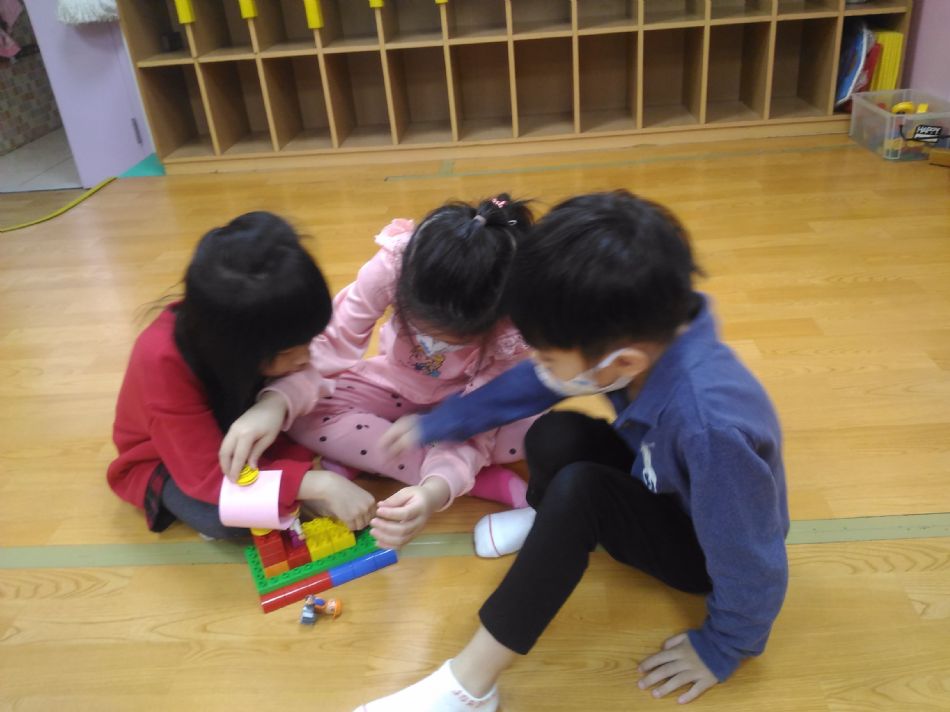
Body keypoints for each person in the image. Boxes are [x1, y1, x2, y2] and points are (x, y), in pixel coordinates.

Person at [359, 191, 789, 709]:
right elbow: (533, 384)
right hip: (658, 477)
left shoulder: (710, 431)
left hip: (697, 546)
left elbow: (751, 554)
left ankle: (470, 685)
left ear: (623, 362)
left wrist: (726, 644)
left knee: (580, 491)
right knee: (555, 433)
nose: (539, 364)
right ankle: (551, 521)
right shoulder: (642, 330)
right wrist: (443, 422)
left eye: (547, 355)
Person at [219, 195, 539, 550]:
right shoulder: (393, 264)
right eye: (421, 329)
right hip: (390, 384)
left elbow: (481, 416)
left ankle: (422, 469)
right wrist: (275, 402)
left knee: (534, 434)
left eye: (450, 340)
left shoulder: (511, 331)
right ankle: (466, 476)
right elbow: (333, 341)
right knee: (303, 413)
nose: (432, 343)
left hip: (464, 408)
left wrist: (432, 492)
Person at [107, 211, 376, 539]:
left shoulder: (257, 321)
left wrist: (276, 407)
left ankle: (287, 486)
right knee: (233, 521)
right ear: (235, 347)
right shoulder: (161, 361)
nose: (305, 358)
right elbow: (206, 474)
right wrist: (318, 484)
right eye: (288, 352)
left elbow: (320, 371)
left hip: (246, 432)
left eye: (308, 341)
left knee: (330, 421)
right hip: (171, 459)